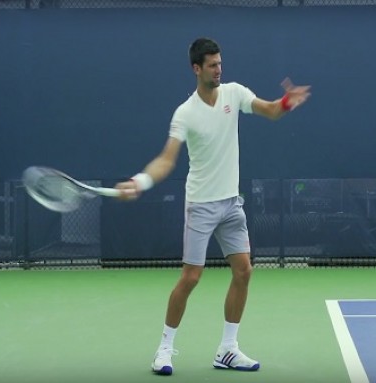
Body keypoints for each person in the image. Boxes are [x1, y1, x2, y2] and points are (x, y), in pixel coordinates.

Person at [115, 37, 311, 375]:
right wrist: (140, 181)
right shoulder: (185, 113)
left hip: (231, 204)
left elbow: (271, 111)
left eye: (220, 63)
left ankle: (228, 350)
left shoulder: (234, 94)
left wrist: (287, 103)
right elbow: (166, 160)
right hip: (201, 205)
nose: (219, 69)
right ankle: (163, 349)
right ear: (196, 69)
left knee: (244, 270)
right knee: (191, 277)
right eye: (212, 65)